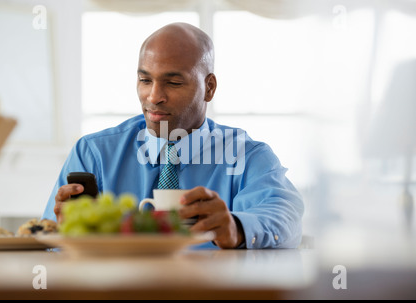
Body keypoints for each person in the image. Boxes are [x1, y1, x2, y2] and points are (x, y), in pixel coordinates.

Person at [43, 22, 304, 249]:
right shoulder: (94, 153)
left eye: (174, 82)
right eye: (145, 80)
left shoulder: (248, 156)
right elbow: (48, 241)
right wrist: (64, 234)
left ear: (209, 88)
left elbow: (285, 217)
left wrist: (236, 227)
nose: (154, 97)